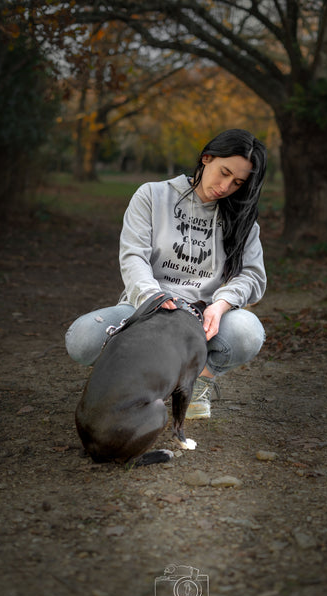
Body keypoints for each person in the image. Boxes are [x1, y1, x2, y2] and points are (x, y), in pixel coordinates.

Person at [65, 128, 267, 419]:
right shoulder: (152, 195)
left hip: (200, 321)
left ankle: (198, 381)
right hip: (145, 310)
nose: (225, 187)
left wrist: (221, 305)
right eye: (223, 172)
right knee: (82, 339)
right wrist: (152, 297)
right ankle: (147, 381)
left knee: (248, 331)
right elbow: (133, 256)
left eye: (237, 182)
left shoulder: (241, 218)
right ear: (206, 158)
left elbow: (252, 276)